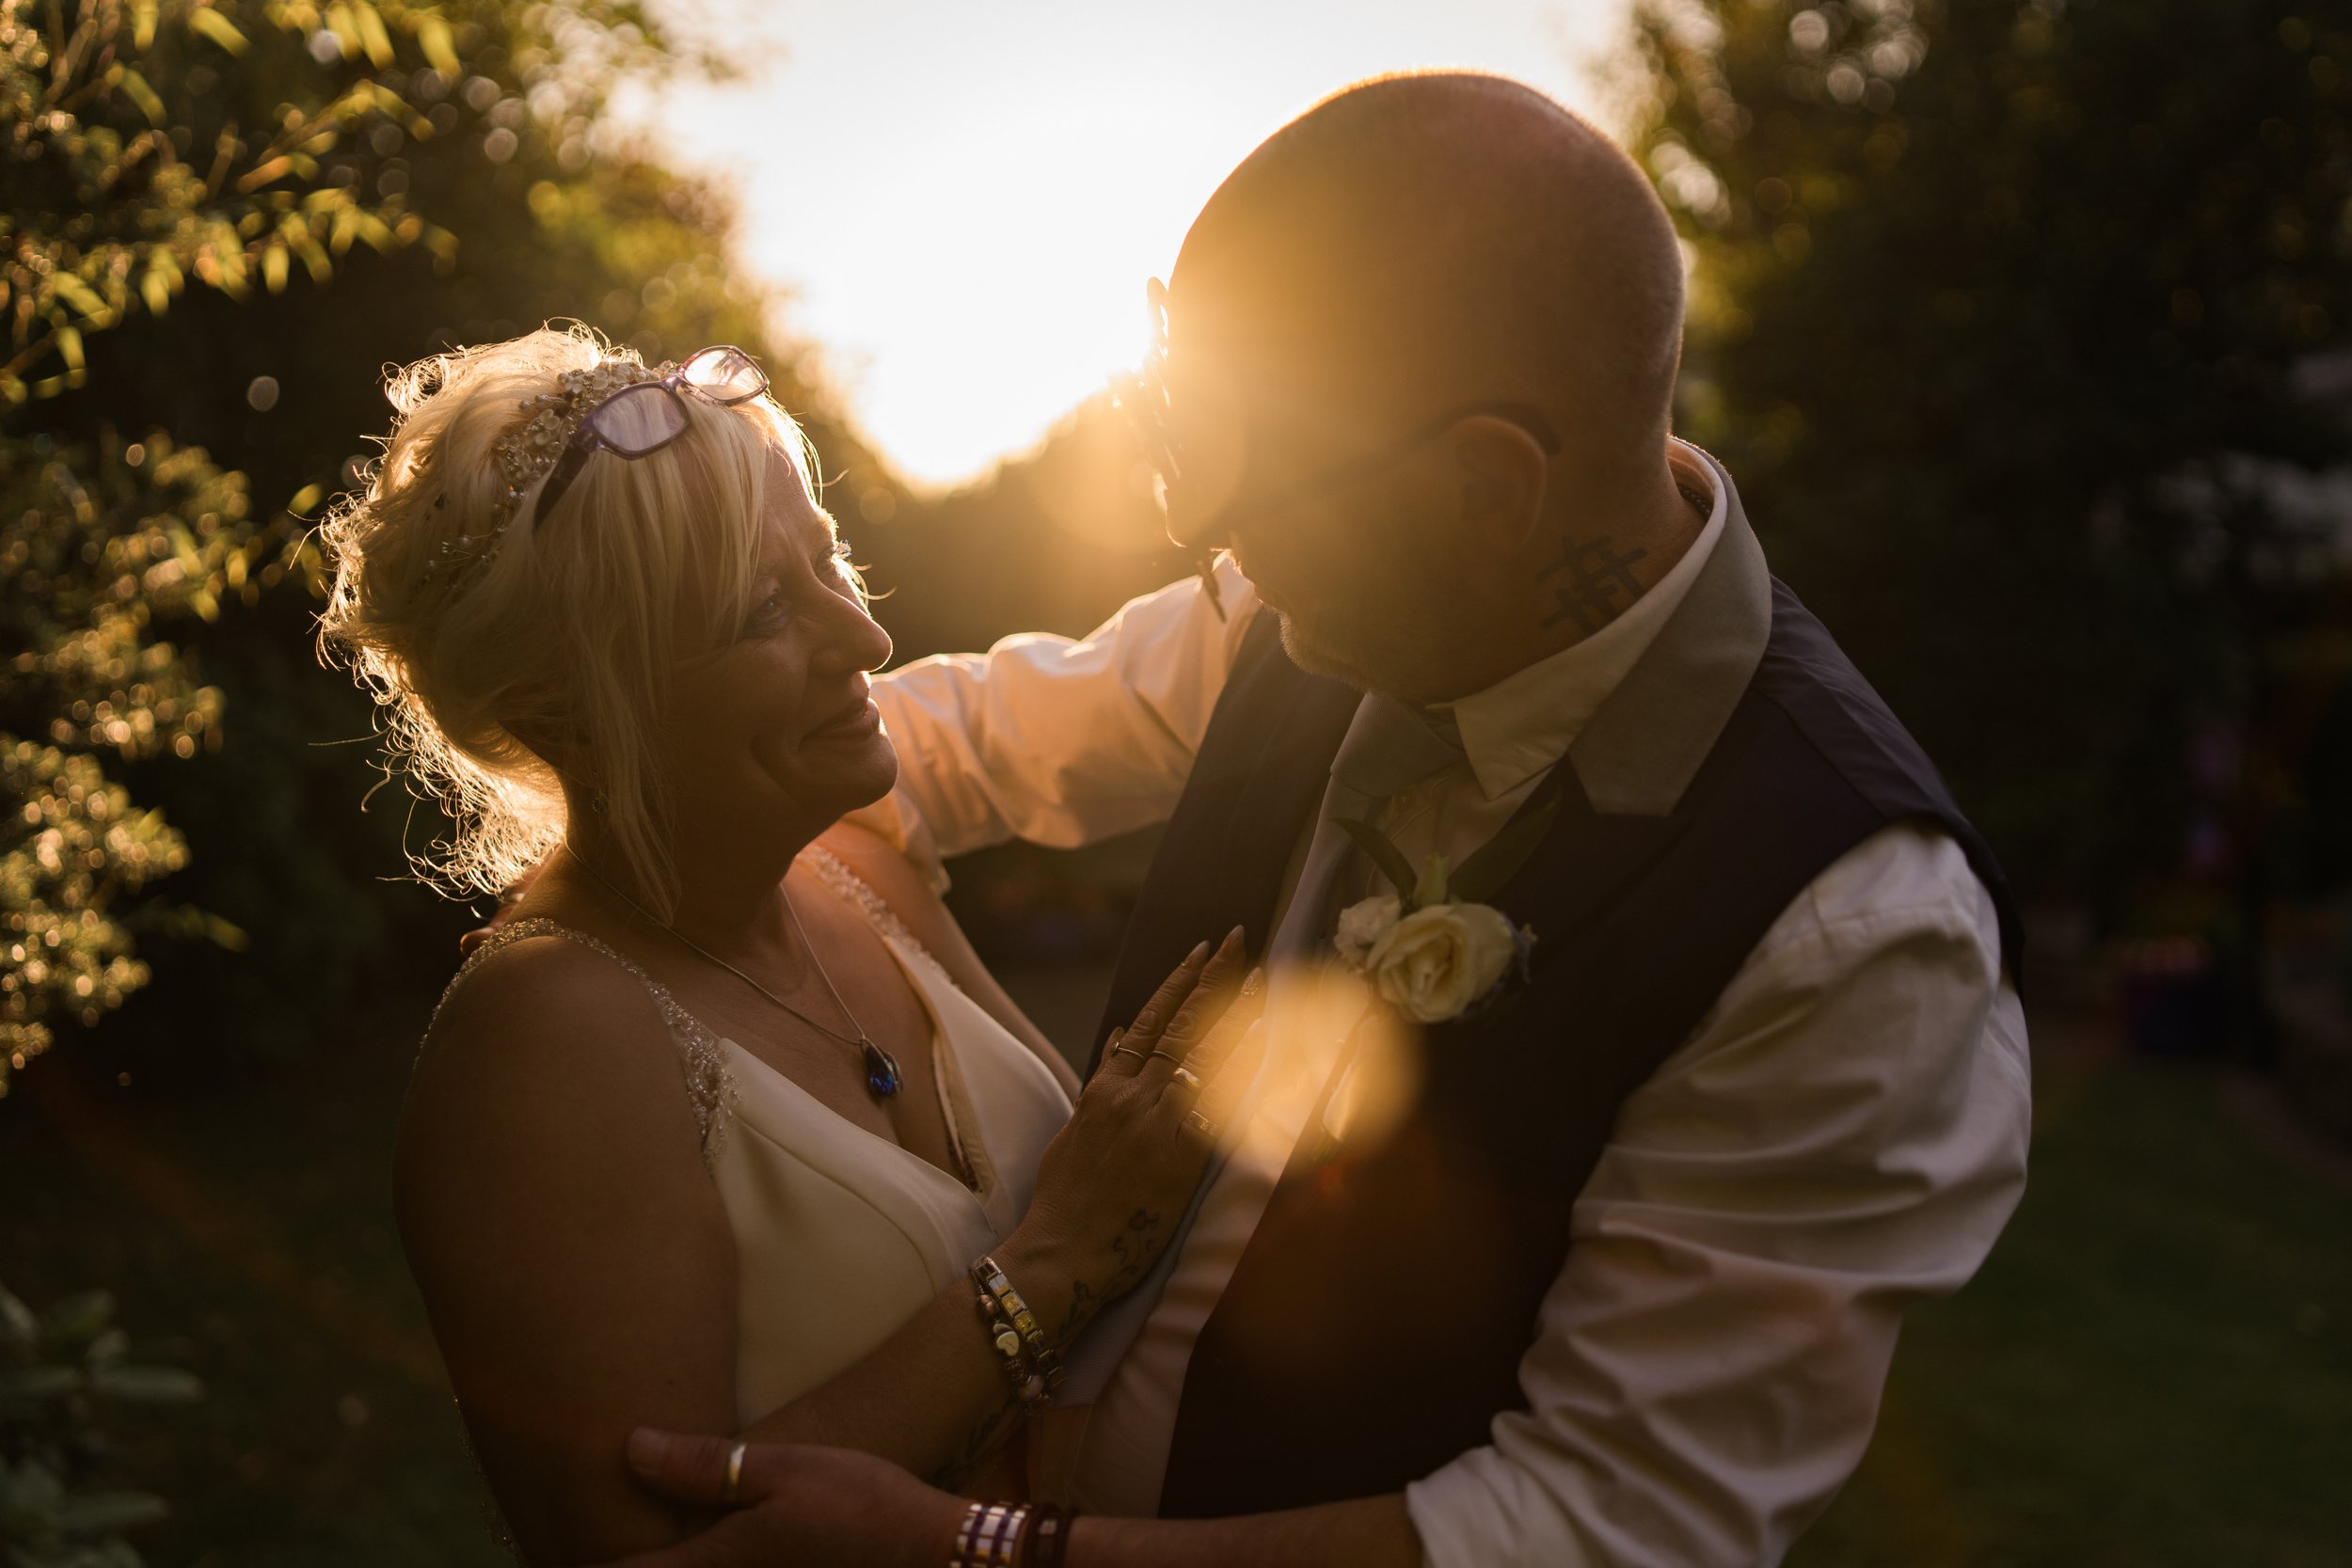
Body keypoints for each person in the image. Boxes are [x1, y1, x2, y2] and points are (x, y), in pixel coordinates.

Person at [594, 71, 2034, 1568]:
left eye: (1253, 479)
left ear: (1486, 489)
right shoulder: (1303, 610)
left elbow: (1596, 1525)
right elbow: (920, 752)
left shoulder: (1848, 930)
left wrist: (980, 1552)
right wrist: (599, 857)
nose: (1203, 535)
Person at [315, 327, 1266, 1564]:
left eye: (829, 563)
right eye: (764, 610)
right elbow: (652, 1548)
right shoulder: (544, 1035)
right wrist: (1052, 1266)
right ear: (574, 714)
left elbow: (1150, 683)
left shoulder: (861, 860)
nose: (865, 640)